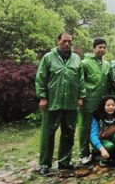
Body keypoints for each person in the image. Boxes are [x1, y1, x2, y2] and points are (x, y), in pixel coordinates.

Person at [35, 32, 85, 175]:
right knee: (48, 133)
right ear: (58, 41)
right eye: (64, 41)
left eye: (69, 41)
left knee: (69, 132)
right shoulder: (48, 58)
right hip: (53, 102)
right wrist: (43, 97)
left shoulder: (76, 59)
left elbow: (80, 79)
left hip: (71, 102)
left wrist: (81, 96)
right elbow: (40, 78)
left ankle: (65, 161)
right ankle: (45, 163)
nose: (67, 44)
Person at [80, 38, 111, 165]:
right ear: (94, 49)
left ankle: (98, 150)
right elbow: (80, 81)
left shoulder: (107, 64)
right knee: (85, 128)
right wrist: (81, 97)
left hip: (102, 102)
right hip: (88, 101)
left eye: (104, 47)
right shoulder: (85, 63)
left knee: (100, 127)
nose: (102, 49)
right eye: (99, 47)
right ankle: (84, 153)